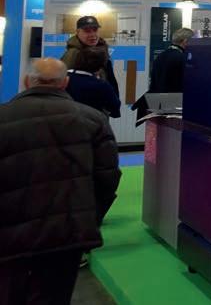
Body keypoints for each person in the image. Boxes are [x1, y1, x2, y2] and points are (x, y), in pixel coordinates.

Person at [0, 58, 121, 303]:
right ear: (65, 83)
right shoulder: (93, 120)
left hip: (8, 233)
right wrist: (90, 218)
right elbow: (107, 178)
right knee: (54, 295)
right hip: (67, 232)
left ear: (26, 82)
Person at [61, 15, 118, 98]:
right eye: (87, 31)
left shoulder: (101, 51)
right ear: (78, 32)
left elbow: (110, 80)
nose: (92, 35)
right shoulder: (73, 54)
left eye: (95, 30)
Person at [67, 47, 121, 118]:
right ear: (100, 67)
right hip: (91, 121)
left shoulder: (63, 78)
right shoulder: (101, 86)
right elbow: (115, 106)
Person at [150, 28, 194, 94]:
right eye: (193, 42)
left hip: (158, 98)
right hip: (176, 98)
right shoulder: (182, 58)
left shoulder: (159, 56)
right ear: (185, 41)